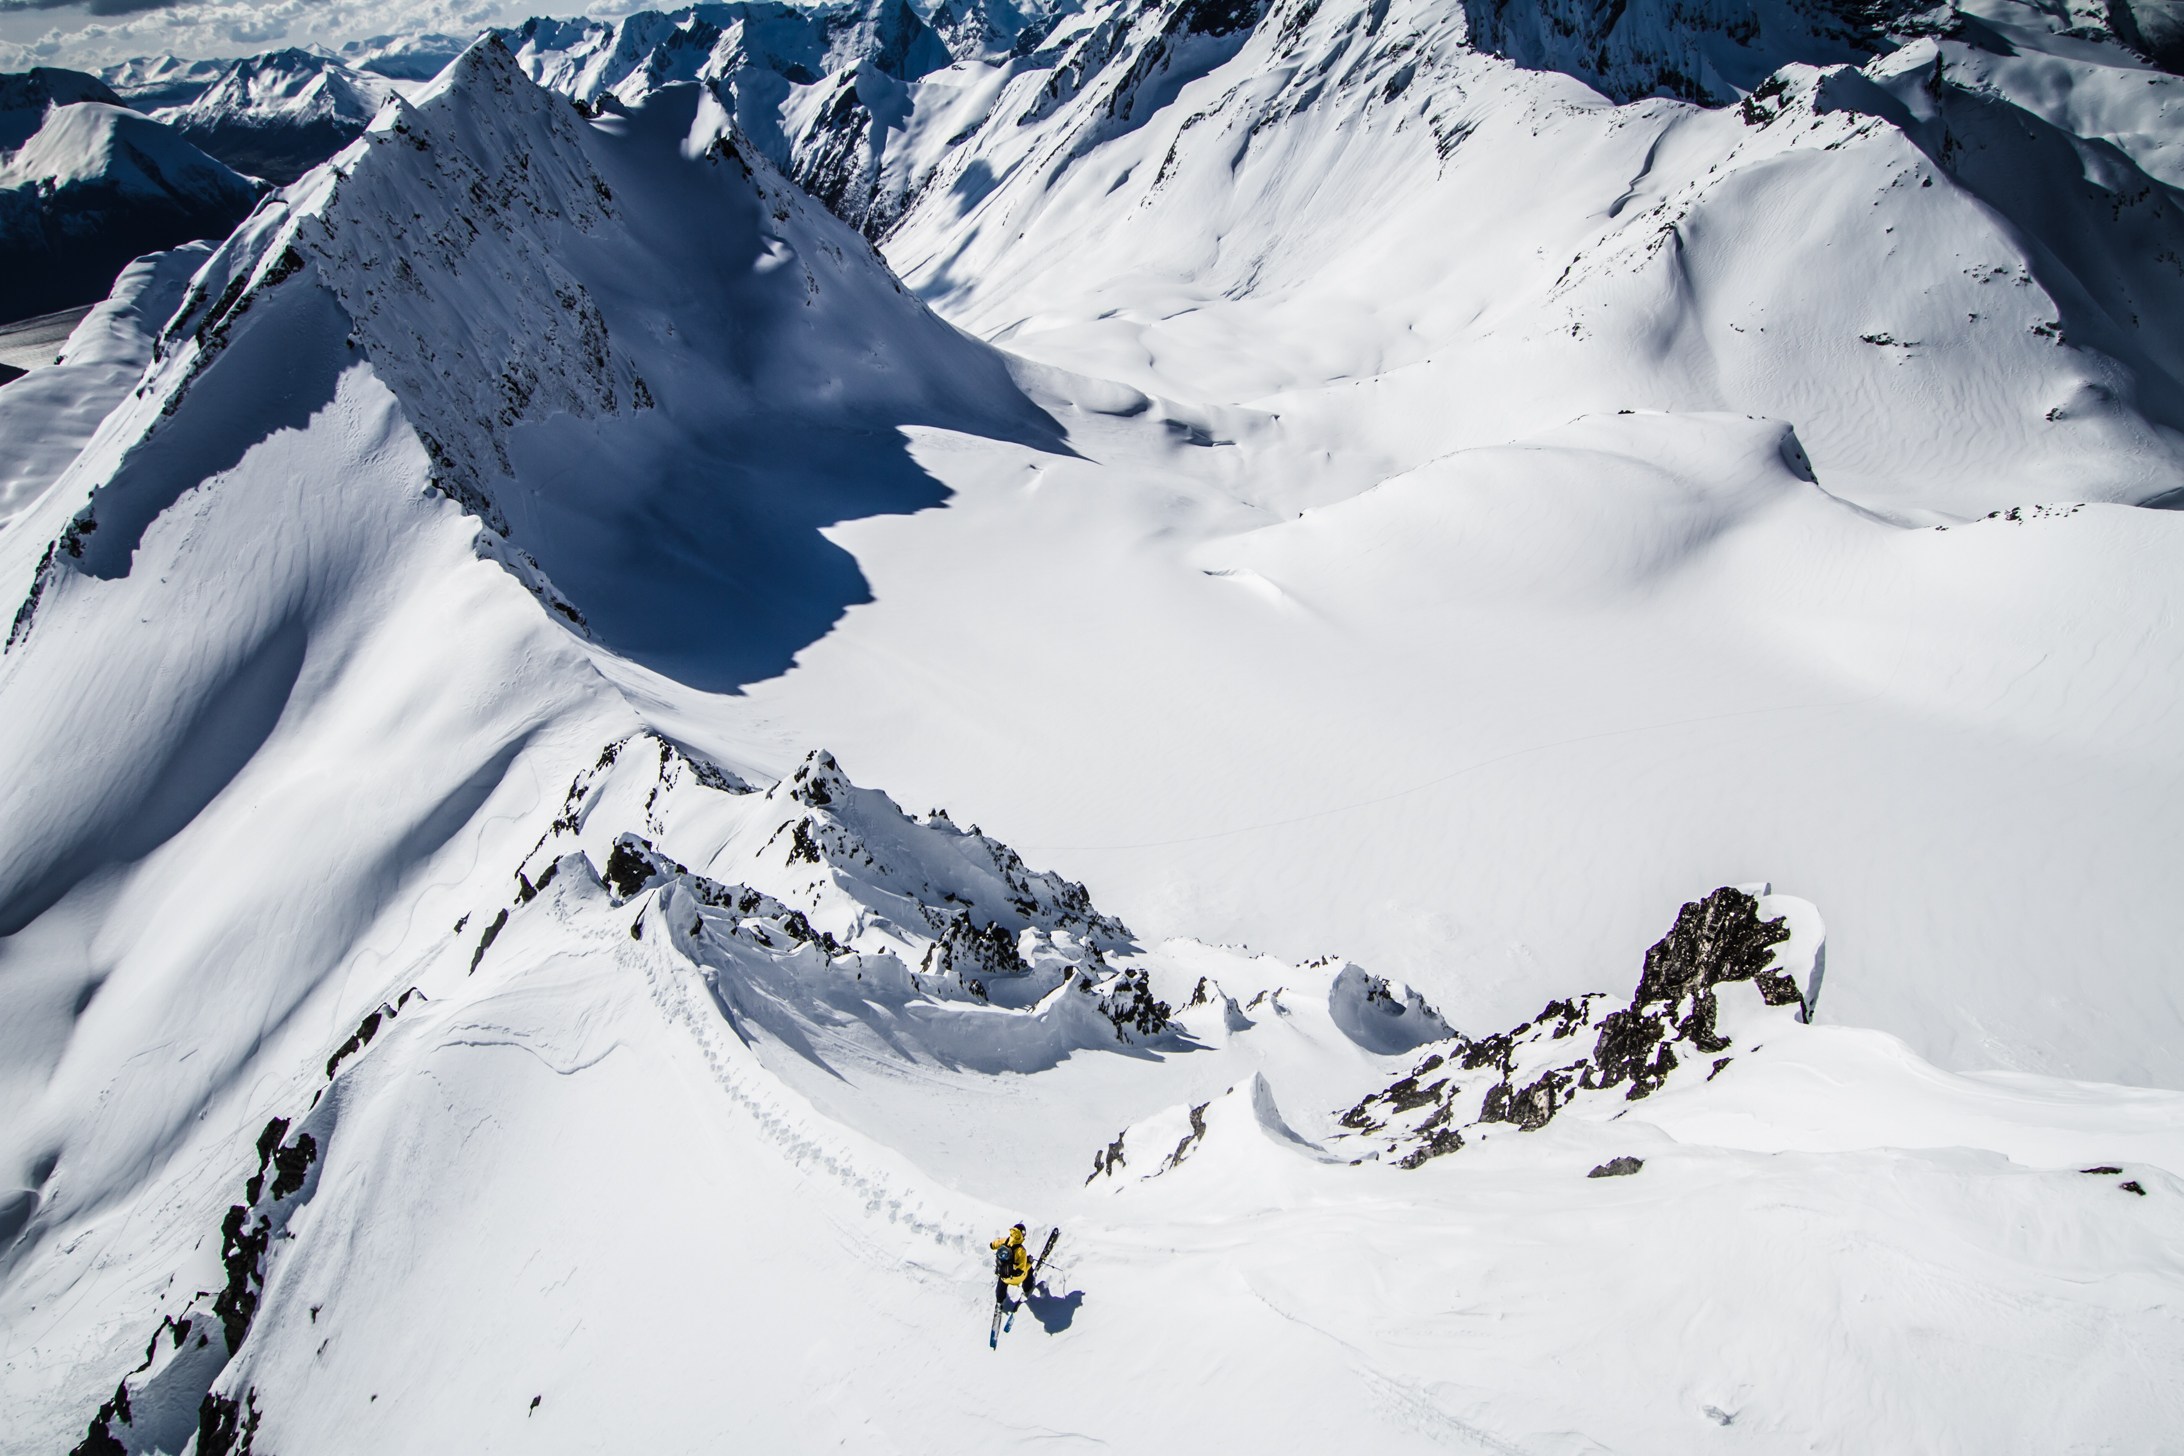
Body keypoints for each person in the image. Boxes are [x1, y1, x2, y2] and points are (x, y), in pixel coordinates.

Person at [991, 1222, 1031, 1309]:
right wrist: (1029, 1263)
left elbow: (993, 1244)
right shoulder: (1021, 1251)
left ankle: (999, 1301)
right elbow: (1021, 1270)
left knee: (1002, 1278)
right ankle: (1027, 1289)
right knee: (1028, 1270)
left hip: (1004, 1276)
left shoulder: (1005, 1241)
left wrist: (993, 1245)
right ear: (1022, 1234)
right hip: (1017, 1279)